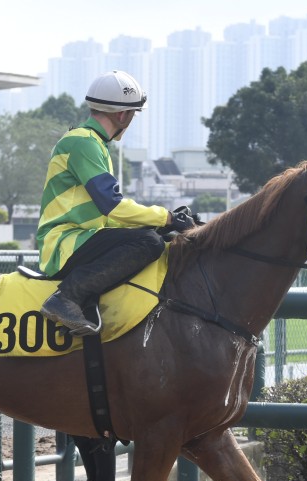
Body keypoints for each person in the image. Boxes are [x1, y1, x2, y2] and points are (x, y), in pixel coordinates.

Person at [36, 69, 195, 336]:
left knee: (154, 237)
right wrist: (166, 217)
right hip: (64, 242)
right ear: (122, 115)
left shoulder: (92, 142)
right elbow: (113, 206)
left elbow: (108, 216)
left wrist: (160, 225)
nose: (131, 120)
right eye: (133, 114)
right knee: (149, 242)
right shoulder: (84, 142)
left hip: (81, 238)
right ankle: (66, 298)